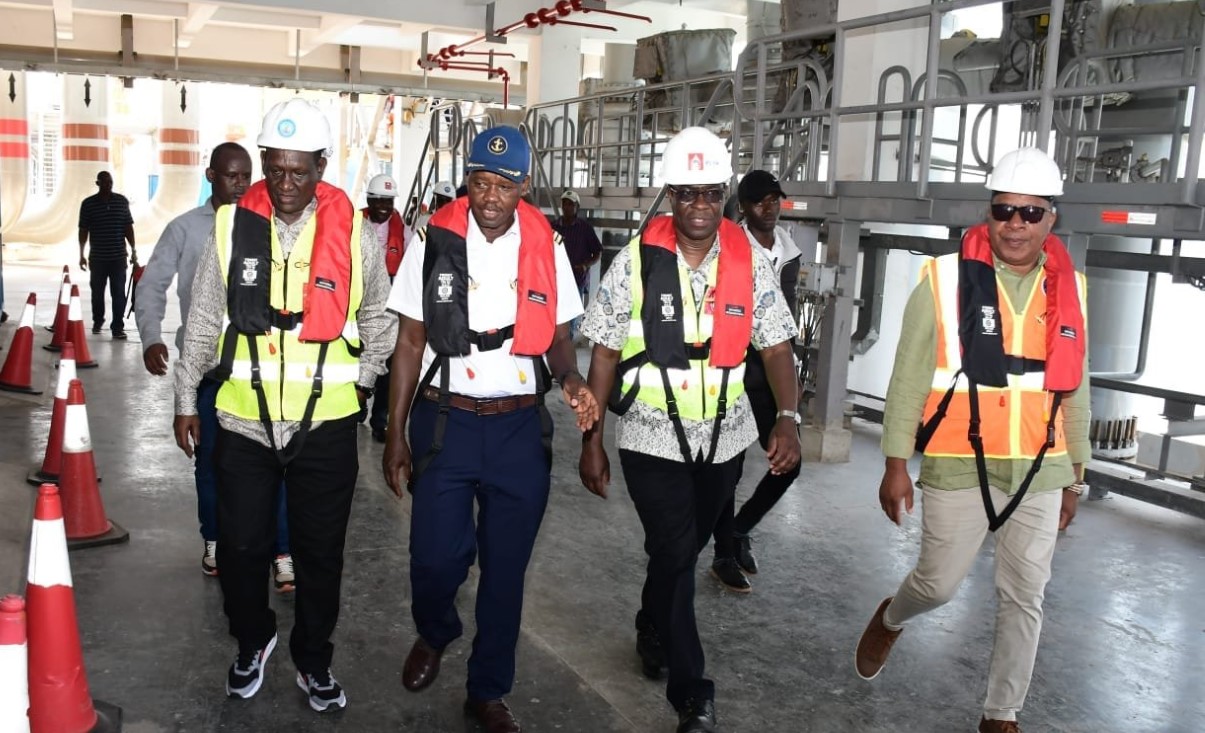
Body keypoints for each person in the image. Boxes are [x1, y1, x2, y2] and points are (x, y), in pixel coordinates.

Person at [853, 147, 1090, 733]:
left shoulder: (1074, 289)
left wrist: (1077, 474)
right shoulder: (943, 279)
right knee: (937, 583)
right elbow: (908, 376)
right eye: (1005, 210)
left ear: (1050, 219)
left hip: (1042, 465)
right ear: (990, 212)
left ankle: (1000, 715)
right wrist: (894, 462)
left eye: (1030, 214)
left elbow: (1076, 388)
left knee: (1025, 595)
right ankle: (893, 616)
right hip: (960, 460)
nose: (1015, 224)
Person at [172, 98, 396, 712]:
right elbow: (201, 322)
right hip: (243, 420)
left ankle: (314, 661)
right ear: (264, 163)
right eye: (277, 170)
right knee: (241, 549)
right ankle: (252, 640)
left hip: (325, 425)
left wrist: (363, 385)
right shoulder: (229, 227)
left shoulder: (354, 232)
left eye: (302, 172)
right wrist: (186, 397)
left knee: (320, 555)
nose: (288, 184)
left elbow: (379, 316)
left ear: (322, 167)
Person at [577, 127, 801, 733]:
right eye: (686, 195)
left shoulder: (750, 262)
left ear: (723, 193)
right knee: (675, 551)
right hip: (651, 437)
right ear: (670, 195)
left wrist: (787, 417)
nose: (699, 206)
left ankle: (652, 622)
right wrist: (591, 440)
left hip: (725, 438)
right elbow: (601, 354)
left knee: (680, 553)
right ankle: (691, 693)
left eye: (710, 194)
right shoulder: (633, 263)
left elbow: (777, 347)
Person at [383, 125, 599, 733]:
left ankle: (487, 689)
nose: (490, 196)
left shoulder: (548, 244)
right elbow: (408, 340)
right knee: (433, 559)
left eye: (504, 185)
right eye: (480, 181)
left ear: (524, 186)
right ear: (468, 181)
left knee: (505, 571)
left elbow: (559, 341)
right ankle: (436, 629)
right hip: (446, 420)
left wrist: (573, 382)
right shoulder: (433, 237)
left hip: (516, 430)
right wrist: (396, 432)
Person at [135, 143, 294, 589]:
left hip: (262, 375)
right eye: (231, 176)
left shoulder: (272, 225)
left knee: (278, 464)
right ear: (211, 176)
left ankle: (282, 551)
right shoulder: (186, 230)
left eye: (246, 175)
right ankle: (215, 541)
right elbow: (151, 287)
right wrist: (150, 338)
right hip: (208, 375)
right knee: (208, 464)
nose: (240, 184)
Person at [708, 169, 803, 593]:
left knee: (789, 462)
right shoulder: (727, 246)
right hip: (733, 366)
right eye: (760, 200)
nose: (769, 206)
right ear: (743, 207)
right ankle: (723, 554)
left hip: (772, 368)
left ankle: (741, 528)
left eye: (775, 199)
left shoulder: (791, 252)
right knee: (728, 468)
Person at [361, 173, 409, 443]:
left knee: (387, 362)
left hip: (389, 300)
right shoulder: (353, 223)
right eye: (379, 201)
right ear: (369, 199)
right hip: (357, 295)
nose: (384, 207)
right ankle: (356, 407)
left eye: (389, 202)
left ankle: (380, 420)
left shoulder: (404, 230)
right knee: (356, 354)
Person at [78, 170, 137, 339]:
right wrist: (81, 254)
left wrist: (133, 250)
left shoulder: (121, 202)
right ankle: (98, 320)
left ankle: (117, 326)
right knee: (97, 293)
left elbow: (128, 228)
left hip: (118, 258)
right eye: (104, 182)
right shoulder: (88, 204)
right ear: (98, 184)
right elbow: (83, 230)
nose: (108, 185)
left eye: (110, 182)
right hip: (97, 258)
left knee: (118, 293)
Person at [549, 189, 603, 340]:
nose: (567, 207)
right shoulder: (553, 228)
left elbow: (597, 251)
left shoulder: (584, 229)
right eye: (565, 204)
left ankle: (567, 345)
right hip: (555, 281)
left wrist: (586, 265)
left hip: (576, 281)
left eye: (571, 204)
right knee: (554, 316)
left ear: (577, 207)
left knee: (570, 318)